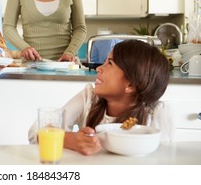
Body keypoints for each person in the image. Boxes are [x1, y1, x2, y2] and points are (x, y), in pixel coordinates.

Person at [28, 40, 175, 155]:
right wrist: (69, 140)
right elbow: (36, 132)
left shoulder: (158, 113)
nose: (99, 68)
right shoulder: (89, 98)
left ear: (130, 85)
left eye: (109, 63)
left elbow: (164, 161)